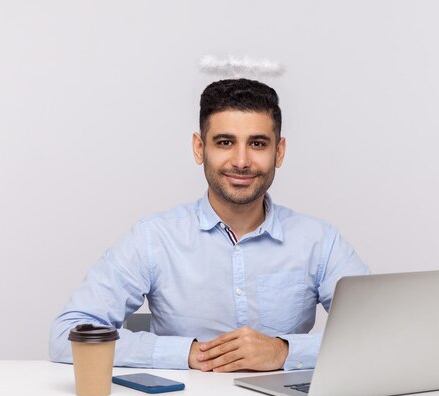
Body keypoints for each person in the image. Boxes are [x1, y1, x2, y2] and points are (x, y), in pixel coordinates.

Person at [49, 78, 369, 372]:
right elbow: (67, 335)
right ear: (199, 148)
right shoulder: (154, 237)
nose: (241, 161)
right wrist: (191, 354)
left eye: (257, 143)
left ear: (279, 151)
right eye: (225, 142)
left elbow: (380, 332)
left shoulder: (319, 241)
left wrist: (285, 351)